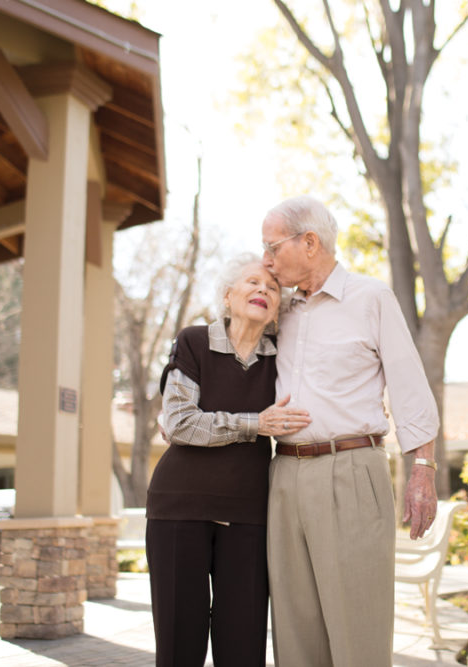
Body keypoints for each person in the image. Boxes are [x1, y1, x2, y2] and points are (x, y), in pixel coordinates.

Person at [261, 195, 441, 667]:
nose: (266, 260)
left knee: (358, 632)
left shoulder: (371, 298)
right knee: (294, 634)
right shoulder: (279, 309)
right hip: (284, 475)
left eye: (272, 247)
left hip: (352, 471)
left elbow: (409, 387)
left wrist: (423, 468)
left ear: (310, 243)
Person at [146, 254, 312, 667]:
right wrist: (256, 423)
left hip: (249, 514)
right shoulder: (193, 342)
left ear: (277, 308)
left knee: (244, 646)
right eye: (252, 282)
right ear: (227, 295)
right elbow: (180, 423)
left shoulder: (282, 360)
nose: (263, 290)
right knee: (179, 646)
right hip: (178, 509)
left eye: (272, 288)